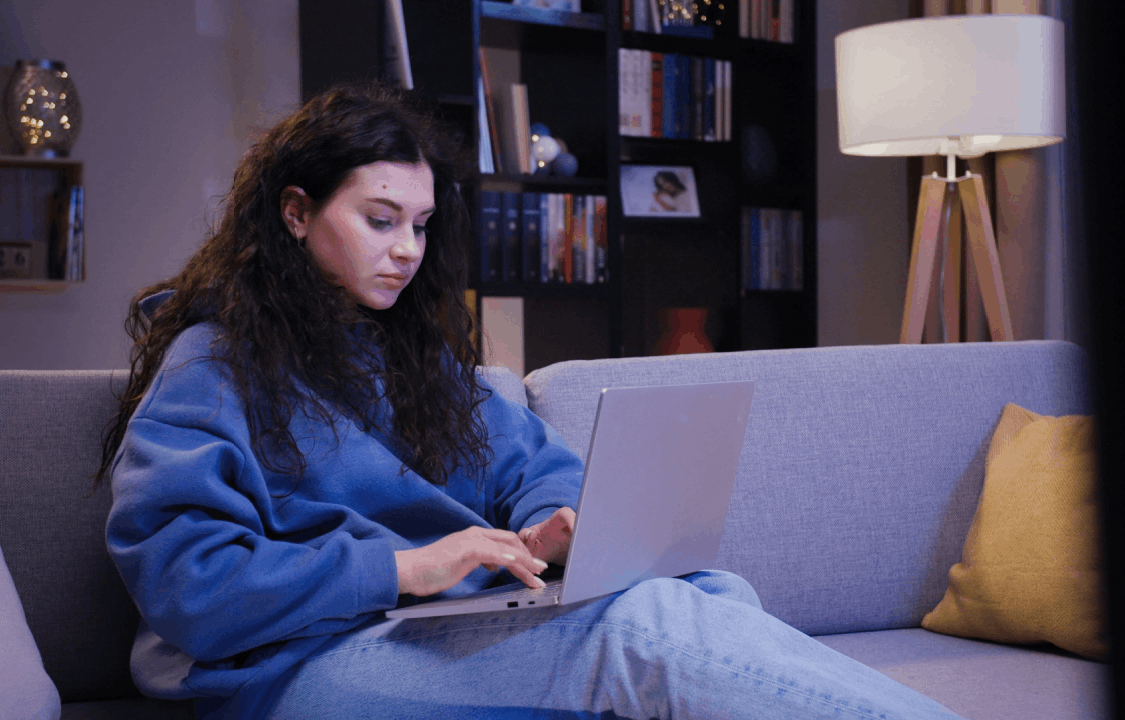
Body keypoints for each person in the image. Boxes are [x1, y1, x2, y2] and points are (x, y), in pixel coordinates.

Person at [96, 82, 963, 720]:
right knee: (644, 631)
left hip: (427, 632)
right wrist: (406, 566)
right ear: (295, 212)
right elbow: (186, 582)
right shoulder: (212, 365)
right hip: (291, 668)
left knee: (703, 588)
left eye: (422, 225)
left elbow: (531, 464)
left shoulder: (415, 357)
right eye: (381, 218)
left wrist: (555, 522)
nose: (406, 250)